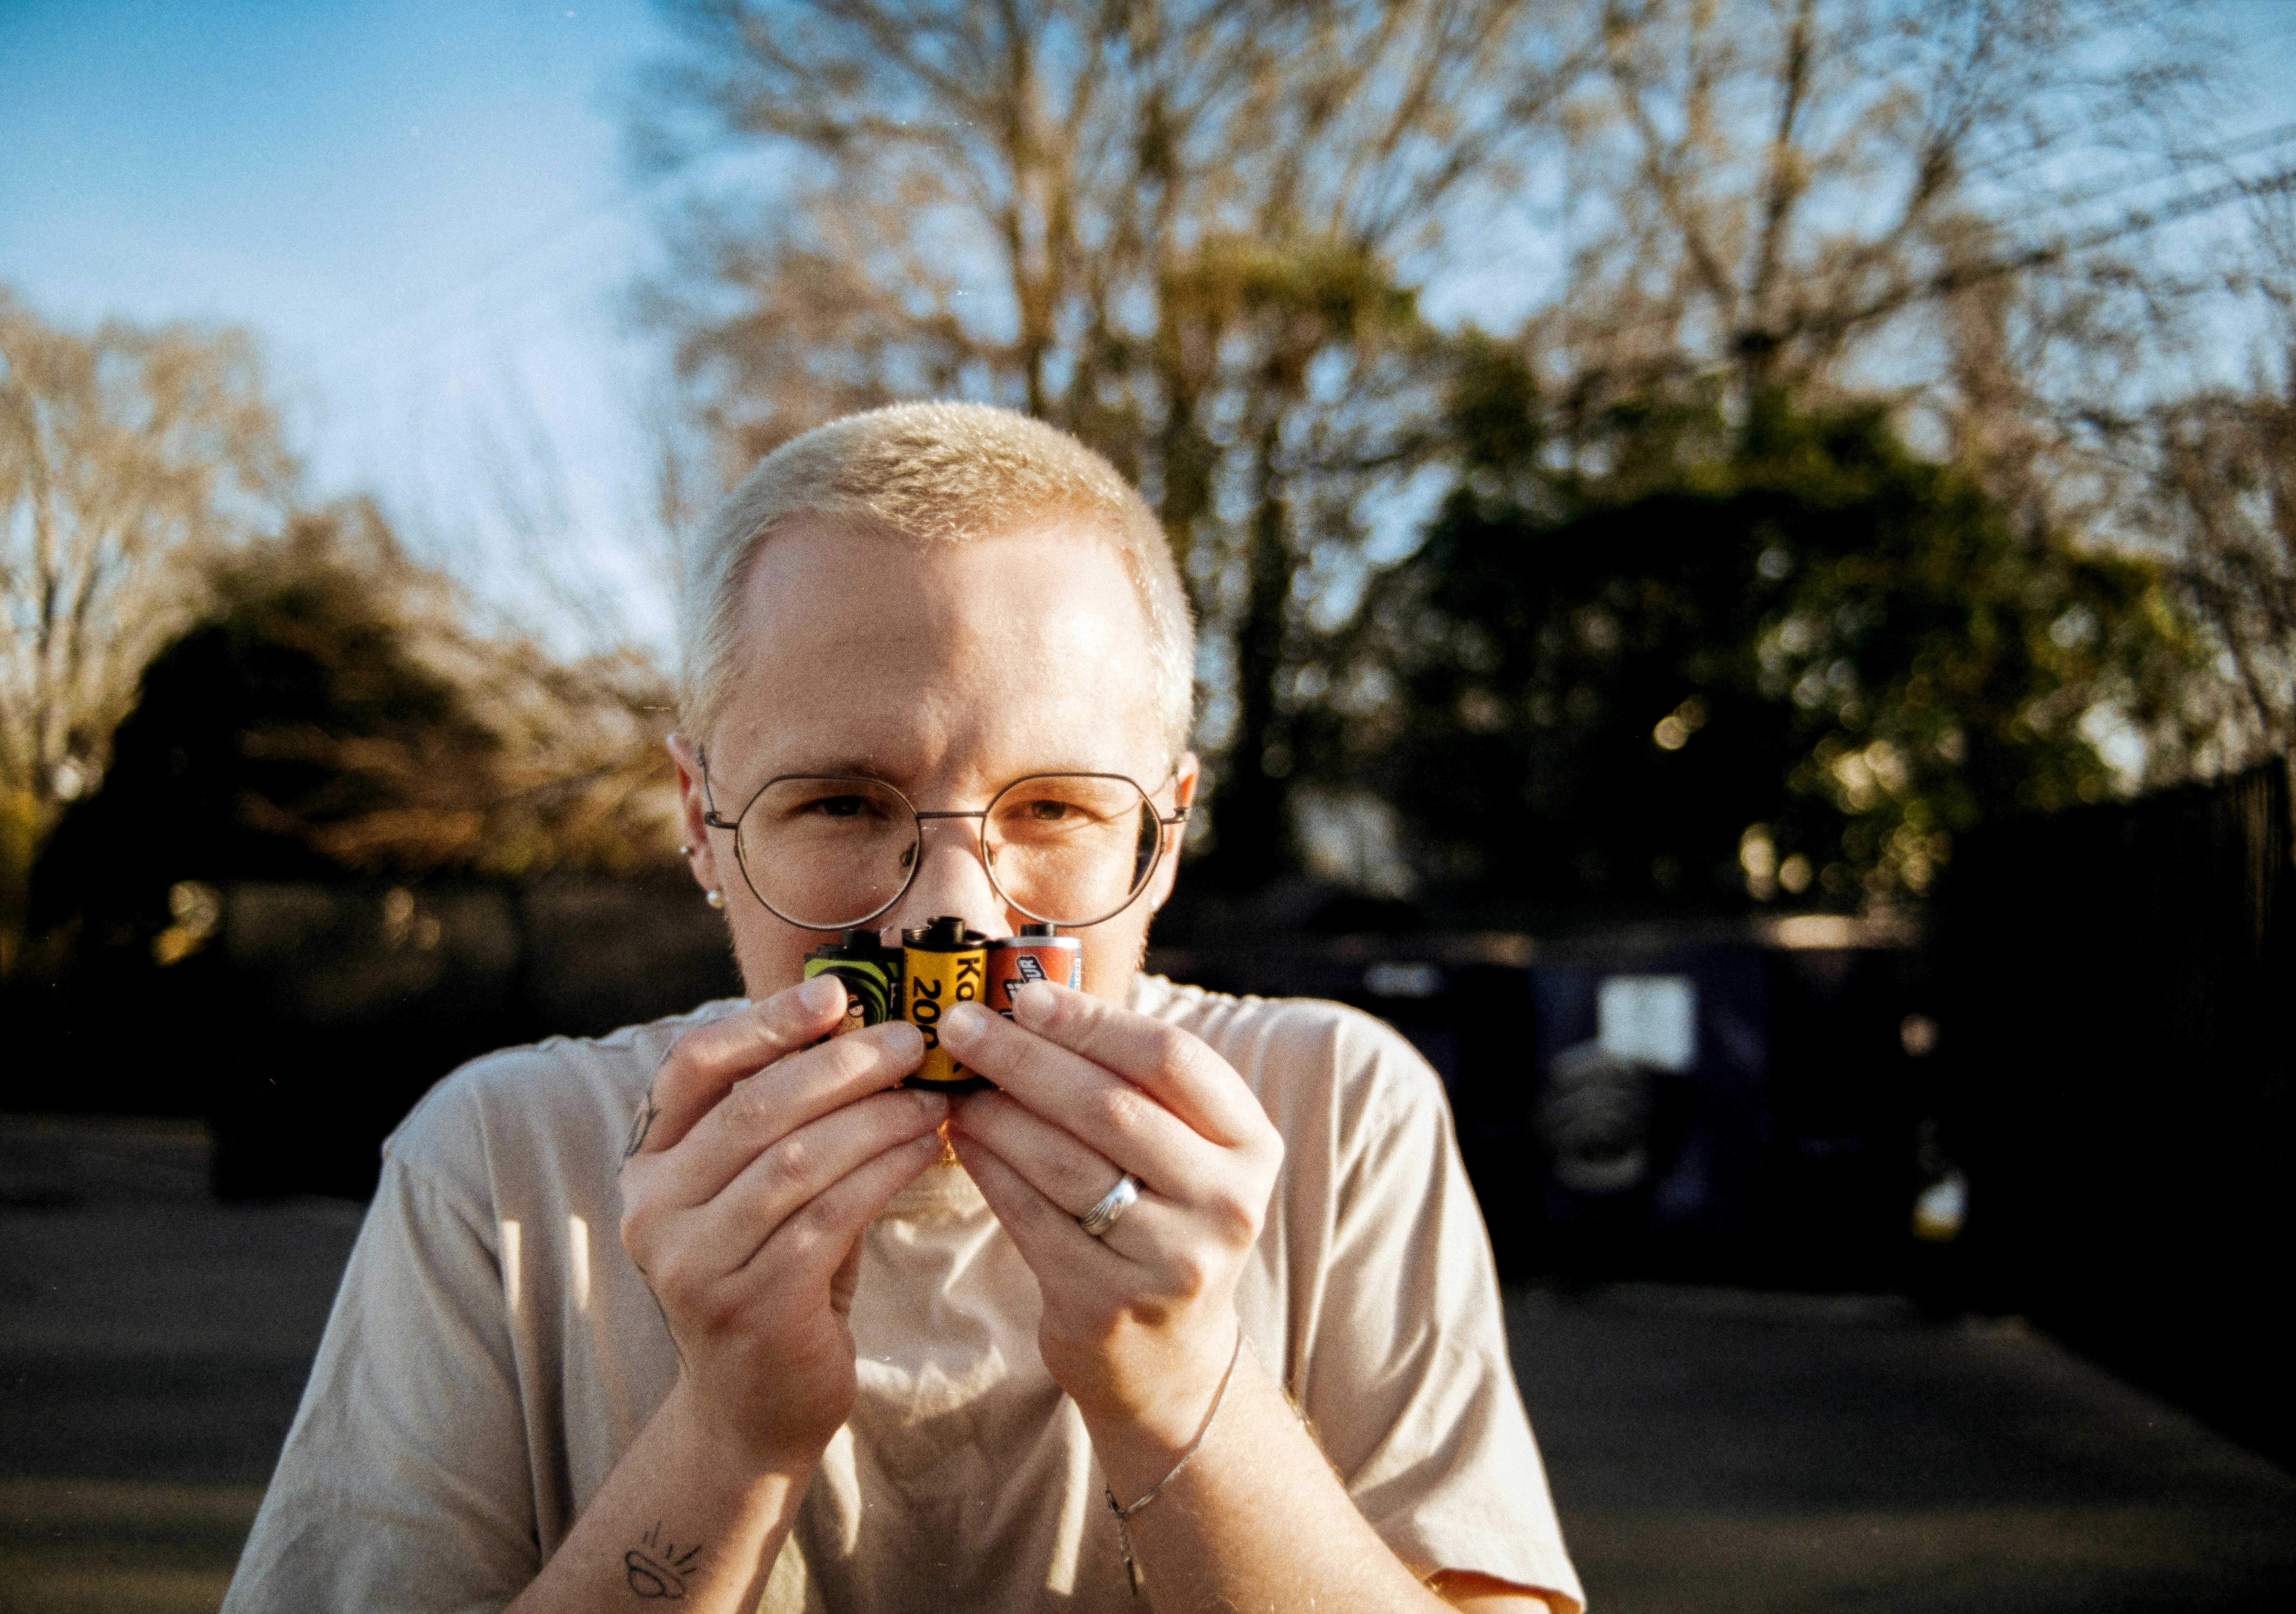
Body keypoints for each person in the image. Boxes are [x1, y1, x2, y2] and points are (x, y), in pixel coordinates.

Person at [224, 402, 1583, 1613]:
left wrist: (1181, 1392)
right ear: (703, 824)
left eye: (1052, 807)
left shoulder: (1336, 1113)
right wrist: (730, 1438)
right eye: (839, 804)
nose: (955, 918)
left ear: (1160, 838)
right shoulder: (505, 1166)